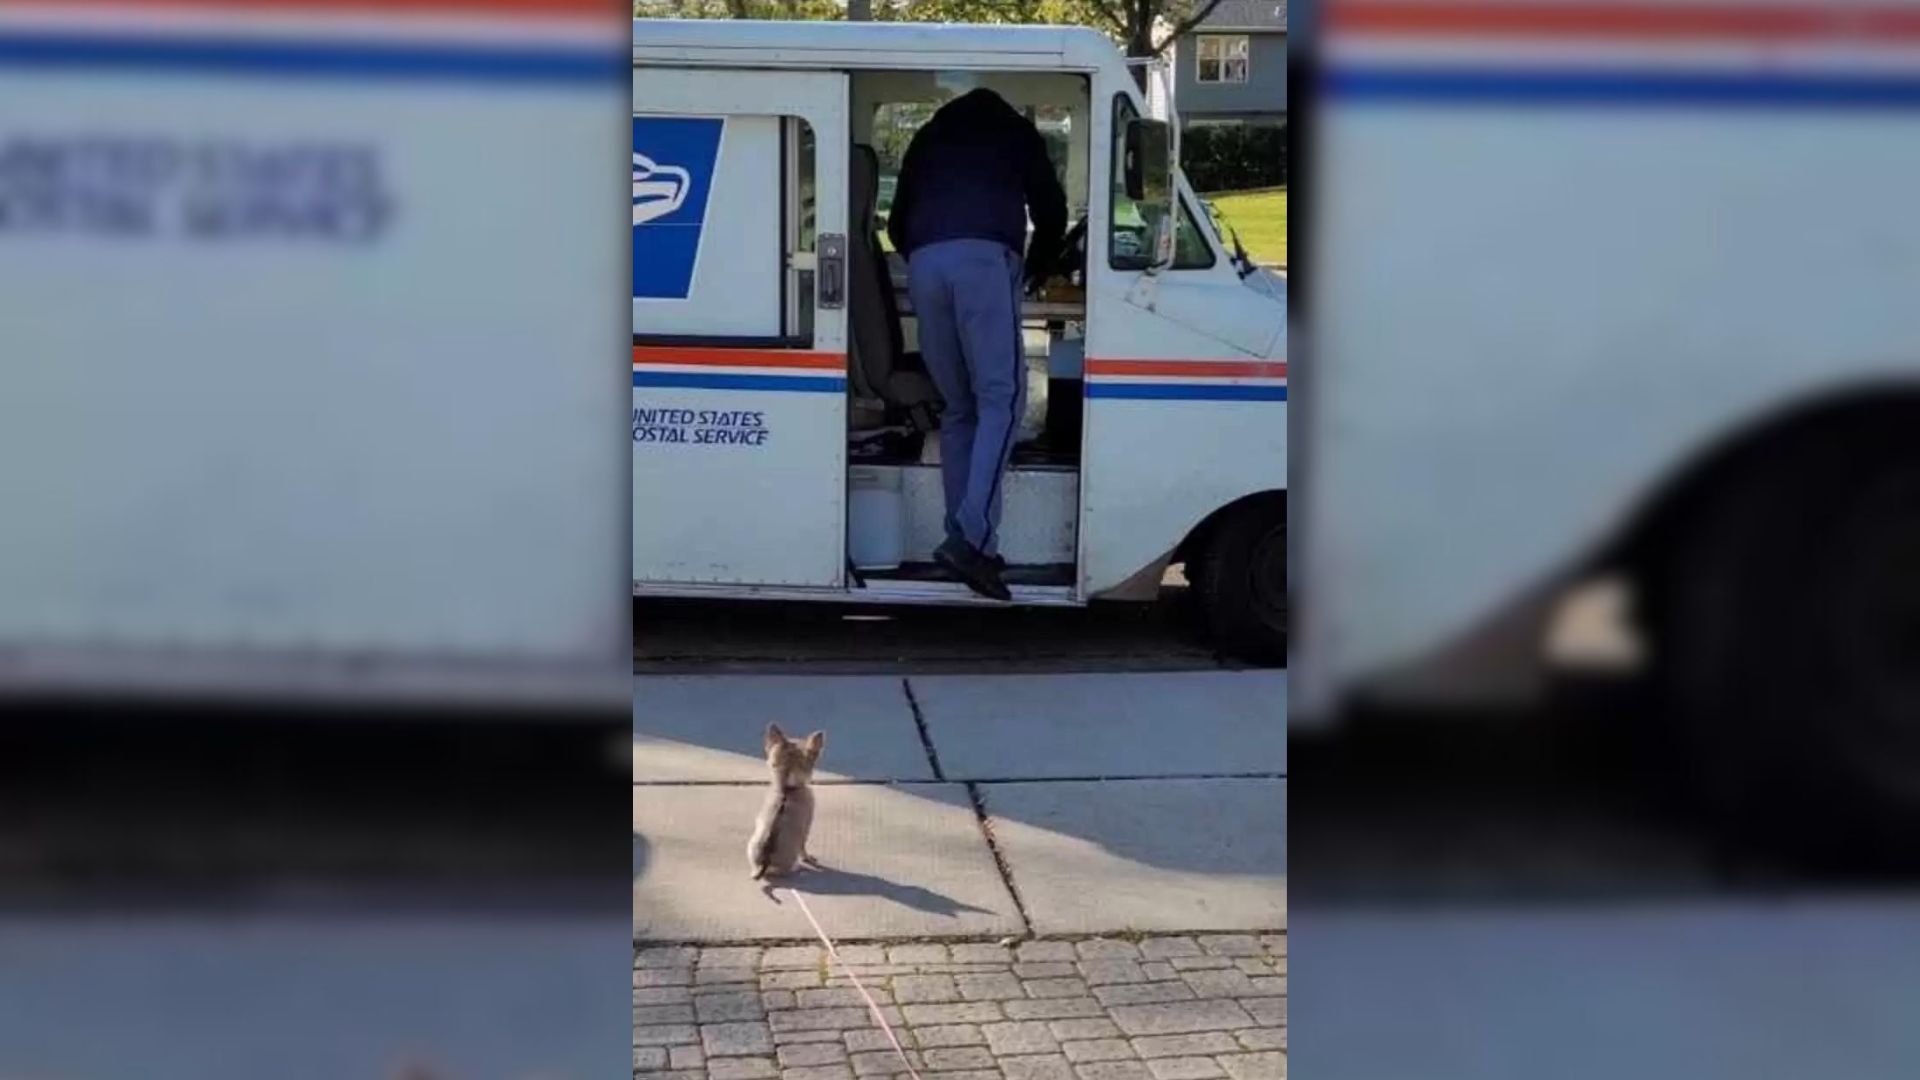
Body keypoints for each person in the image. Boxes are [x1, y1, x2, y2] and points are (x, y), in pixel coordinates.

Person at [887, 78, 1068, 602]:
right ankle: (974, 539)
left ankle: (959, 535)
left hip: (925, 264)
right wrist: (1034, 269)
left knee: (959, 408)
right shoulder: (1016, 131)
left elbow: (899, 223)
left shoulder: (928, 135)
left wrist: (928, 255)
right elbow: (1051, 214)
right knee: (1003, 399)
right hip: (984, 262)